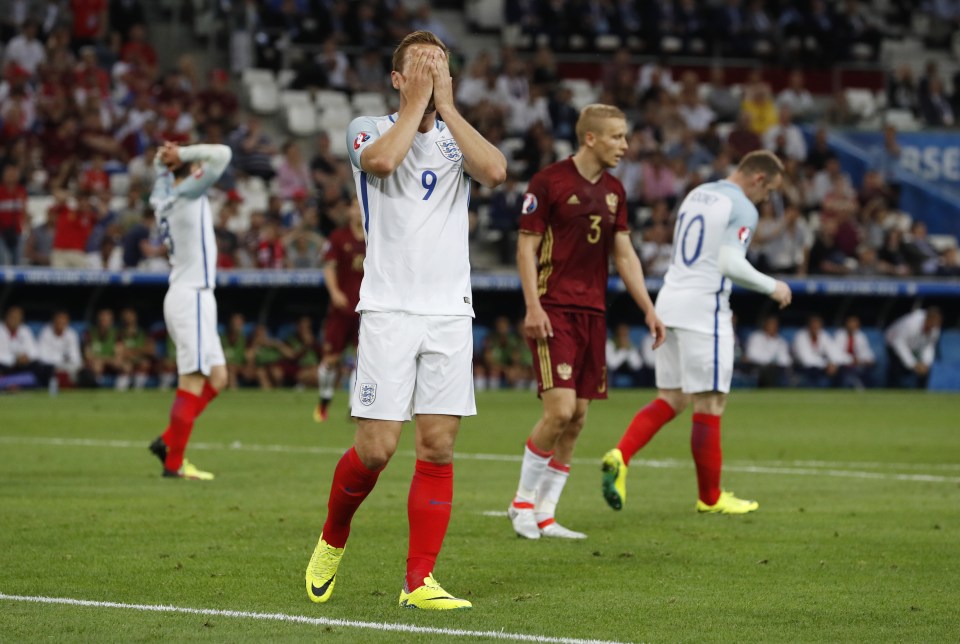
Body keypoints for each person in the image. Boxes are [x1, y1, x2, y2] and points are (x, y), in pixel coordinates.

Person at [304, 30, 506, 611]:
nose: (430, 72)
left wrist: (446, 106)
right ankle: (332, 536)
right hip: (389, 308)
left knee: (438, 446)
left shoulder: (453, 139)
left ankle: (418, 582)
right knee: (376, 449)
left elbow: (494, 171)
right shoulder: (366, 128)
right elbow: (385, 162)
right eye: (419, 65)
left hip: (449, 311)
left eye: (439, 66)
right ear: (397, 78)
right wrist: (419, 102)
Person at [506, 104, 666, 542]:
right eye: (617, 137)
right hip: (554, 307)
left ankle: (546, 513)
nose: (626, 146)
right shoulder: (549, 182)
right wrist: (533, 306)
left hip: (593, 312)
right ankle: (521, 504)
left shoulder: (615, 190)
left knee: (576, 418)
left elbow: (625, 254)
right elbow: (526, 249)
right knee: (558, 410)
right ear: (591, 138)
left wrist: (648, 308)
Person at [602, 150, 792, 515]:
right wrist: (772, 286)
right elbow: (728, 262)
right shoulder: (743, 207)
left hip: (670, 301)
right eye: (769, 191)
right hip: (705, 309)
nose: (766, 200)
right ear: (757, 179)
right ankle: (711, 498)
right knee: (710, 404)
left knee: (672, 397)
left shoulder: (697, 193)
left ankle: (620, 454)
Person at [147, 140, 233, 480]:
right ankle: (174, 463)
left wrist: (165, 158)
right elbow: (223, 154)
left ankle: (168, 441)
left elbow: (162, 172)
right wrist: (181, 153)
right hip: (192, 295)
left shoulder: (161, 197)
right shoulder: (188, 194)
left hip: (189, 295)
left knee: (218, 378)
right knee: (193, 380)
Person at [314, 200, 364, 422]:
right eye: (354, 206)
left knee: (362, 359)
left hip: (366, 308)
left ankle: (355, 408)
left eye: (362, 205)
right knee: (331, 359)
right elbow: (329, 266)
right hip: (341, 308)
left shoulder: (377, 235)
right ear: (349, 210)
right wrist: (334, 292)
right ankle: (324, 400)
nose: (358, 210)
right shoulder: (338, 237)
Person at [885, 307, 942, 389]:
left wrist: (925, 363)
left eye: (938, 323)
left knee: (925, 371)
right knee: (895, 370)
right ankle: (890, 392)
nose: (935, 327)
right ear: (928, 320)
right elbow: (899, 344)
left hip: (914, 347)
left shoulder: (935, 329)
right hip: (892, 342)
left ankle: (921, 395)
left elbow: (929, 346)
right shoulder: (911, 324)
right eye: (933, 323)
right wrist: (913, 364)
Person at [37, 310, 84, 386]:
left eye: (64, 320)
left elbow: (75, 357)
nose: (61, 322)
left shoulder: (72, 334)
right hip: (50, 368)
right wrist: (59, 363)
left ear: (67, 321)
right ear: (54, 320)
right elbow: (42, 357)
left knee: (80, 368)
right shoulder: (45, 332)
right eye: (59, 319)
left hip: (67, 367)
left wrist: (62, 365)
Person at [743, 315, 792, 388]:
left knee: (779, 372)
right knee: (767, 370)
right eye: (770, 324)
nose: (772, 327)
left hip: (776, 369)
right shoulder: (756, 337)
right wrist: (769, 360)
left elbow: (786, 360)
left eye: (775, 325)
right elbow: (751, 355)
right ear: (765, 325)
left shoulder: (781, 342)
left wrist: (775, 362)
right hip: (758, 368)